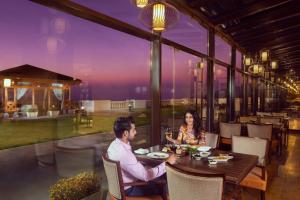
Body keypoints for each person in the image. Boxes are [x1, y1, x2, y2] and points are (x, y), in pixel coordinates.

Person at [107, 116, 177, 199]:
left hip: (118, 189)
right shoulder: (124, 153)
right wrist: (167, 163)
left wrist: (144, 165)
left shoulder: (113, 145)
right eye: (133, 130)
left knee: (158, 176)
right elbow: (145, 176)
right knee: (164, 184)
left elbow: (129, 166)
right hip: (129, 189)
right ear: (125, 133)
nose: (136, 132)